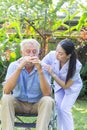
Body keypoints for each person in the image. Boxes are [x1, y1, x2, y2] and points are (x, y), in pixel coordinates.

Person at [1, 39, 54, 130]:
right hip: (18, 103)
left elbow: (47, 93)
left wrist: (40, 70)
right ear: (22, 53)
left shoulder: (43, 67)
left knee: (48, 100)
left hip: (37, 104)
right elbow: (6, 90)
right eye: (28, 52)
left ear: (38, 53)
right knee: (6, 98)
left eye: (34, 52)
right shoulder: (14, 66)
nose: (31, 55)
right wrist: (20, 67)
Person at [42, 38, 83, 130]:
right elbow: (41, 65)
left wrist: (52, 74)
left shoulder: (77, 65)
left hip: (72, 88)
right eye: (57, 51)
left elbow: (66, 86)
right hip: (58, 86)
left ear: (68, 55)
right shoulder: (52, 55)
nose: (57, 55)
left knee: (64, 109)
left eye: (60, 54)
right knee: (58, 109)